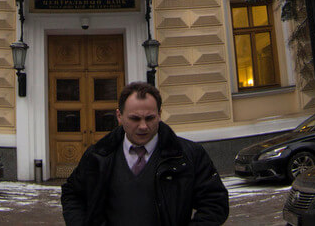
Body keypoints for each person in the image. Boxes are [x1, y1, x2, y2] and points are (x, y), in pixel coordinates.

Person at [61, 81, 229, 225]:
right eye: (135, 119)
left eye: (150, 118)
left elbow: (215, 203)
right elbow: (72, 194)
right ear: (119, 116)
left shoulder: (188, 156)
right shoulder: (98, 156)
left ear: (160, 115)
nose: (143, 126)